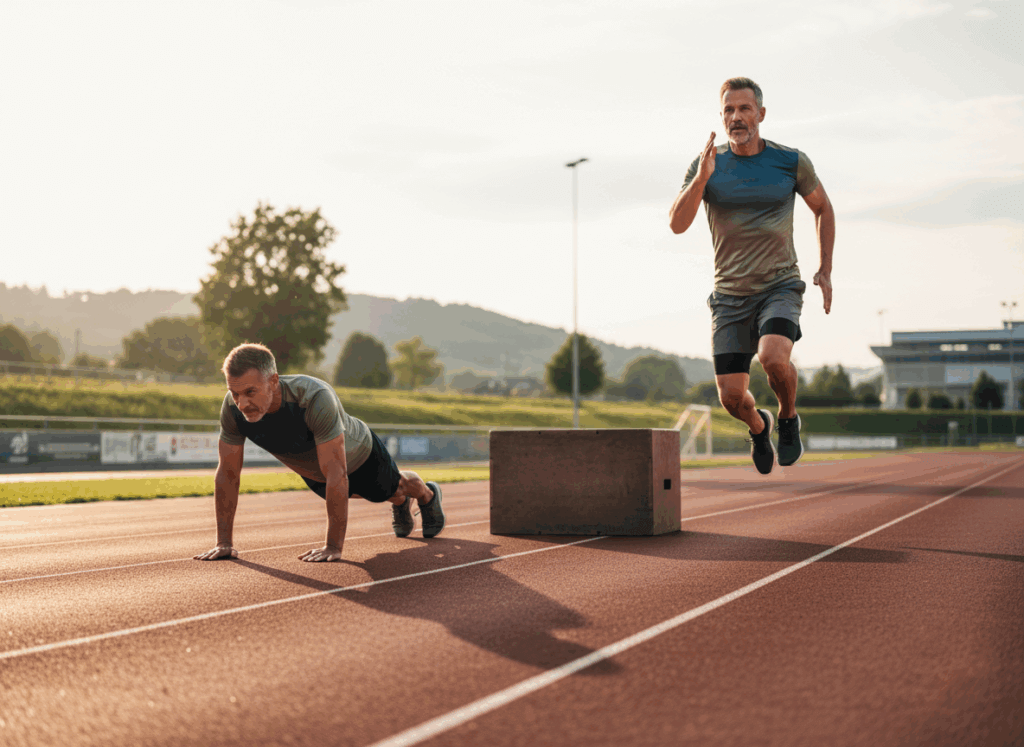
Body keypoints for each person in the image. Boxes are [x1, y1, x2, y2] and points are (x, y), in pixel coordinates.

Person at [669, 77, 835, 475]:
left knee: (773, 358)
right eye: (728, 109)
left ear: (761, 114)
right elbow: (677, 224)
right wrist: (701, 178)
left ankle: (789, 417)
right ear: (721, 117)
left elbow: (823, 209)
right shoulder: (707, 164)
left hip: (779, 285)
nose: (736, 116)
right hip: (729, 297)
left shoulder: (790, 161)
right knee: (730, 397)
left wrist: (825, 269)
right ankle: (761, 426)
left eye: (744, 108)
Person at [193, 343, 444, 563]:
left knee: (390, 489)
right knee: (364, 494)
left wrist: (333, 546)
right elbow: (227, 473)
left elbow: (337, 471)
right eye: (235, 393)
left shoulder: (314, 397)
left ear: (273, 381)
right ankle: (401, 503)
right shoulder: (232, 410)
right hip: (316, 473)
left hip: (360, 454)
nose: (242, 403)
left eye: (250, 392)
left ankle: (426, 494)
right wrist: (223, 543)